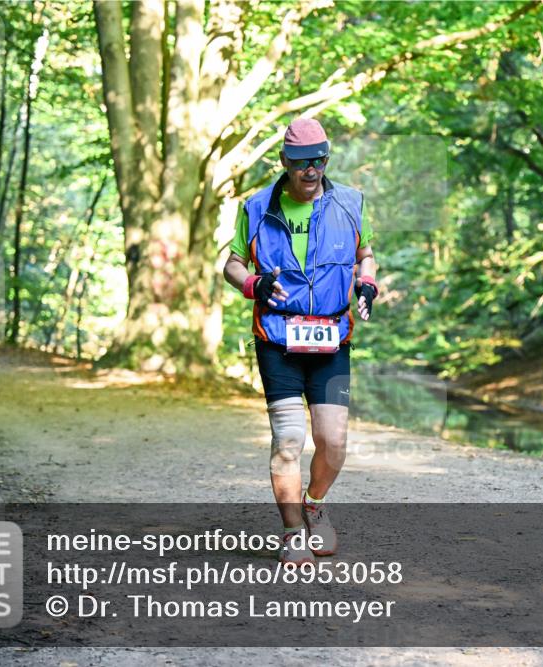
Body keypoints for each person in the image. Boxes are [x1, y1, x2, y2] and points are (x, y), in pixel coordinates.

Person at [223, 118, 378, 566]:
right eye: (302, 163)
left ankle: (314, 504)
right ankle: (293, 531)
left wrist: (366, 283)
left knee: (333, 441)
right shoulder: (255, 208)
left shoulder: (350, 203)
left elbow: (366, 255)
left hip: (331, 340)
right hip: (278, 339)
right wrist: (253, 283)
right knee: (289, 440)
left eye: (320, 161)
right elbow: (232, 264)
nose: (312, 170)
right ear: (285, 162)